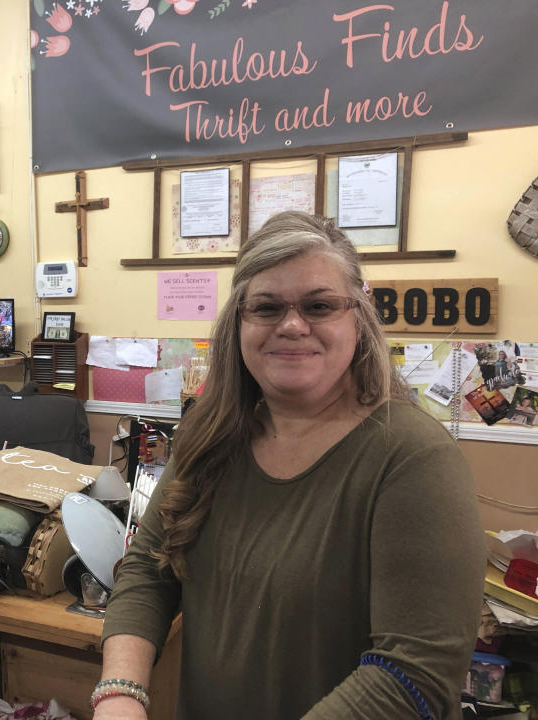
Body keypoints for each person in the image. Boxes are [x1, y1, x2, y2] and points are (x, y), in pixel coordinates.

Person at [96, 211, 485, 719]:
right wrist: (120, 692)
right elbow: (149, 571)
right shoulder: (207, 438)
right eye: (267, 307)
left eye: (319, 305)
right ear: (240, 321)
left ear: (359, 317)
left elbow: (414, 675)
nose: (293, 325)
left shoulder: (413, 459)